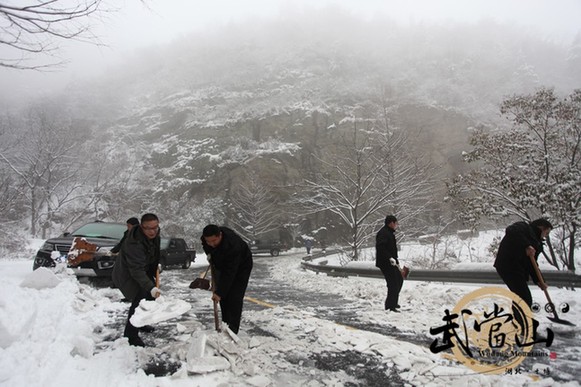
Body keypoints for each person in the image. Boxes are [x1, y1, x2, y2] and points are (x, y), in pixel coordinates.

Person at [112, 213, 161, 347]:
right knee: (139, 300)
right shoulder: (133, 242)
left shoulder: (156, 235)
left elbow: (154, 254)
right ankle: (131, 336)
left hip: (142, 270)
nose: (152, 231)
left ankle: (142, 323)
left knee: (148, 299)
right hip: (127, 274)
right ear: (141, 227)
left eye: (155, 227)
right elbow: (135, 270)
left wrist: (155, 271)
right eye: (148, 228)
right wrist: (150, 287)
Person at [201, 224, 253, 334]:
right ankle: (225, 324)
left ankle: (233, 331)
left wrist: (219, 293)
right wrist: (210, 255)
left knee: (235, 296)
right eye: (208, 242)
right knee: (223, 297)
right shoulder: (206, 239)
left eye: (214, 241)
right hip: (221, 264)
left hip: (241, 266)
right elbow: (207, 247)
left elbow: (230, 273)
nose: (211, 244)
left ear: (220, 235)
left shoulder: (233, 245)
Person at [494, 218, 553, 307]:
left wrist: (539, 281)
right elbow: (511, 230)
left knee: (522, 297)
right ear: (541, 228)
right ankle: (521, 319)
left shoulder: (537, 244)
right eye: (546, 233)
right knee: (524, 298)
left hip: (519, 269)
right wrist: (526, 245)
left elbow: (532, 264)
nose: (545, 236)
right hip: (508, 265)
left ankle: (520, 319)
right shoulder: (523, 227)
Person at [375, 214, 404, 312]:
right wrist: (389, 258)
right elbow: (380, 247)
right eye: (396, 223)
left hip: (393, 261)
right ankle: (390, 306)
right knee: (393, 283)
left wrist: (395, 260)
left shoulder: (389, 233)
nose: (397, 225)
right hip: (386, 263)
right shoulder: (383, 233)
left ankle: (394, 302)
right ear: (391, 223)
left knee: (399, 279)